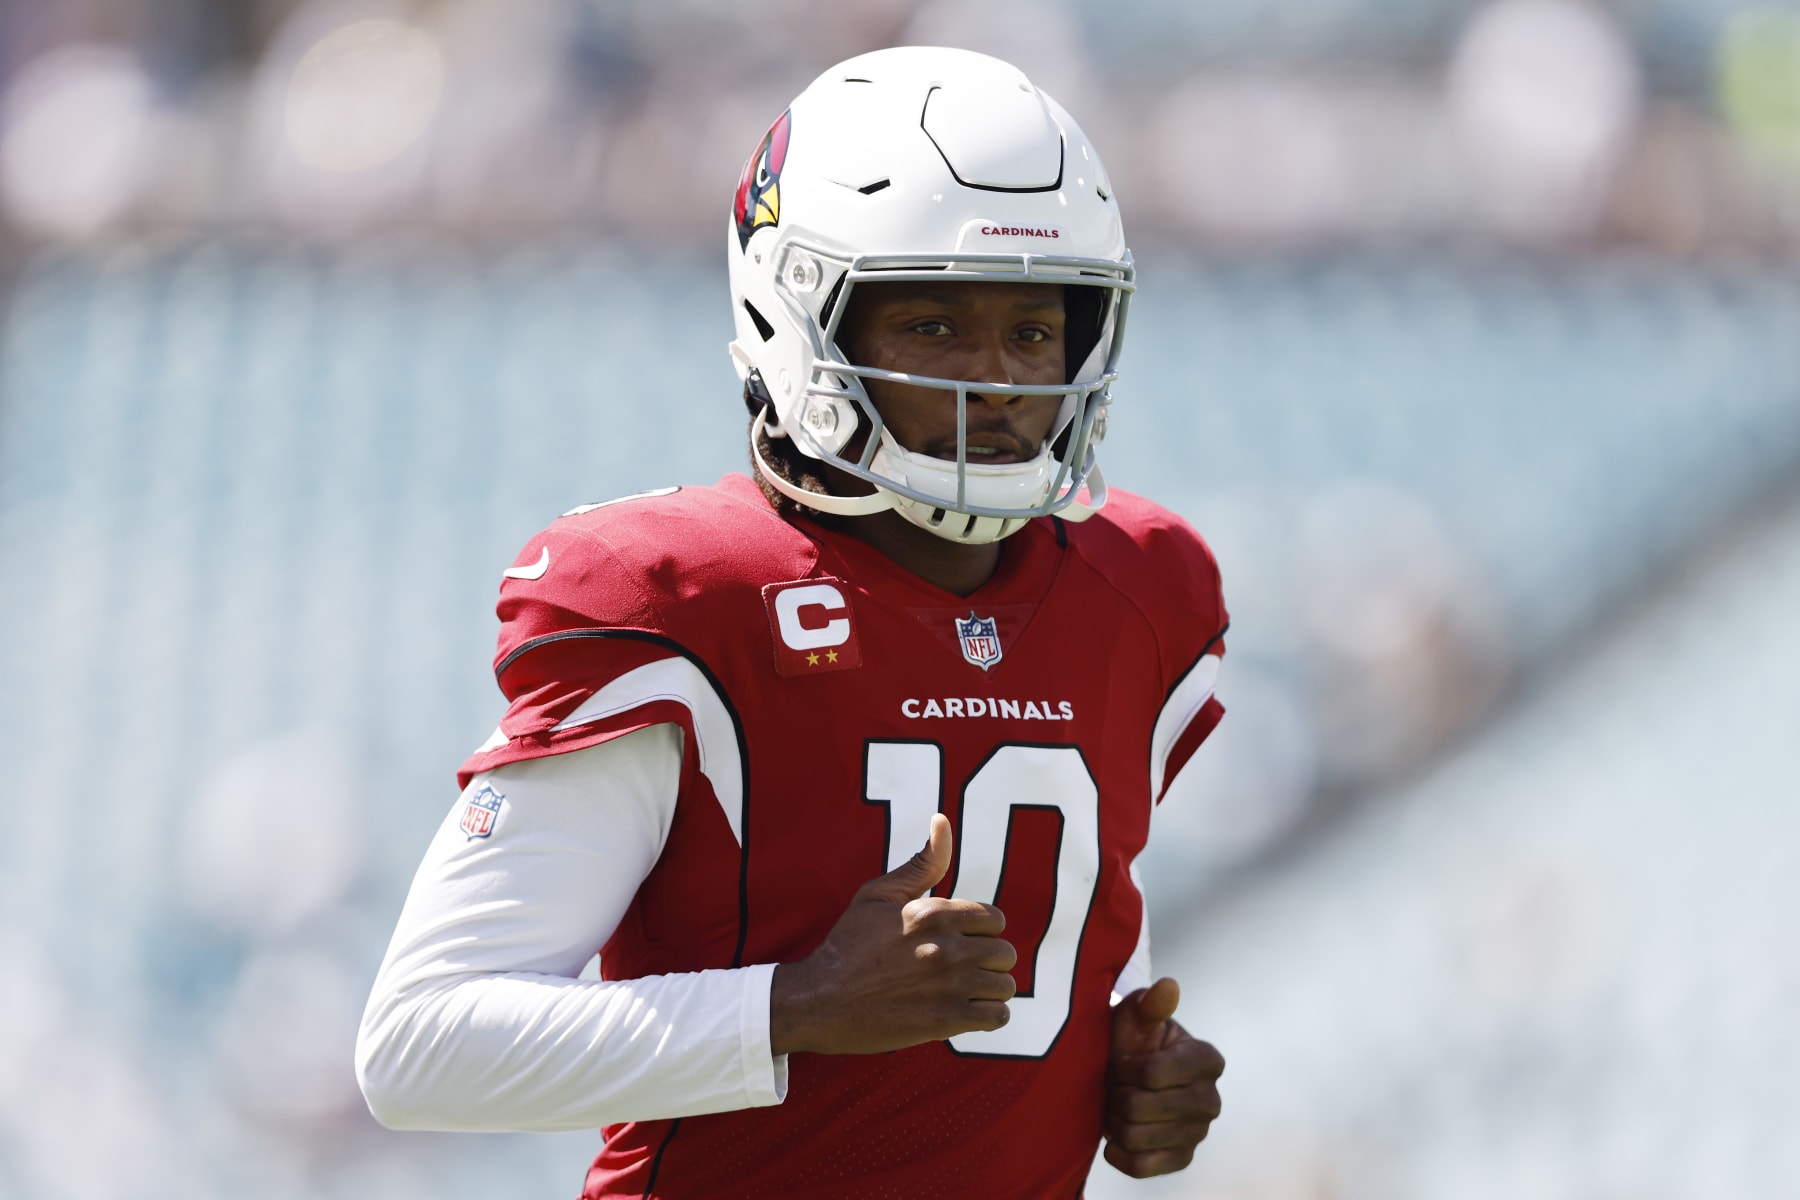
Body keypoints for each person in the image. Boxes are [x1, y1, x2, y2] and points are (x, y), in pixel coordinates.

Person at [357, 46, 1228, 1198]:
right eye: (931, 325)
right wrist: (794, 1006)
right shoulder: (685, 598)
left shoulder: (1139, 586)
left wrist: (1128, 1059)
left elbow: (1062, 929)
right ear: (798, 312)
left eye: (1033, 330)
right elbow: (421, 1045)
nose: (1001, 380)